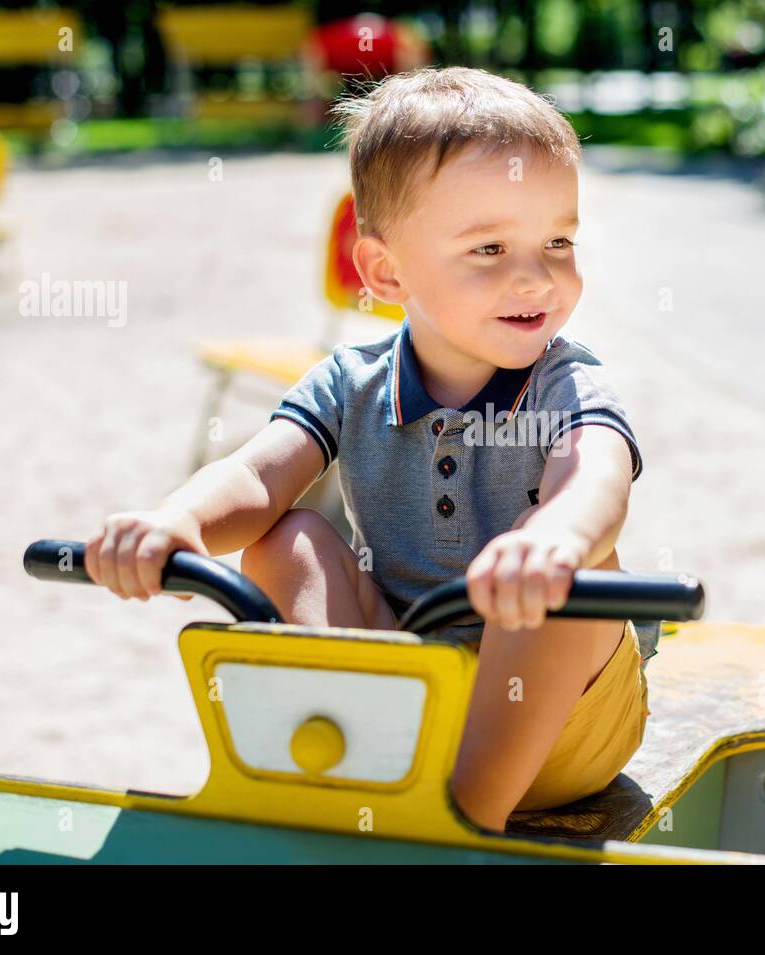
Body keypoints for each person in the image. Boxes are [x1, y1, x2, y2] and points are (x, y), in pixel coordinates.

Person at [85, 66, 651, 833]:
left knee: (565, 571)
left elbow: (597, 476)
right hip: (415, 678)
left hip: (566, 728)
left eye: (558, 239)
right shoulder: (351, 384)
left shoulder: (564, 382)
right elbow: (258, 471)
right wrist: (177, 521)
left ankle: (456, 823)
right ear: (386, 270)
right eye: (489, 248)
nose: (535, 274)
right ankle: (374, 741)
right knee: (283, 537)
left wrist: (558, 534)